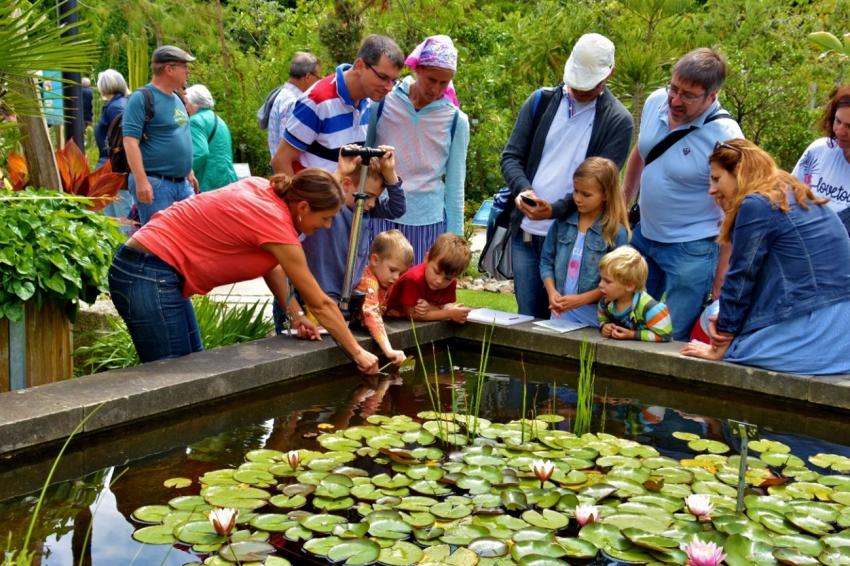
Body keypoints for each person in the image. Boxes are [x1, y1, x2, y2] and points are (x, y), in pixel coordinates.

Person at [107, 159, 379, 374]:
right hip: (146, 272)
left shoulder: (268, 190)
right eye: (327, 218)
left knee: (193, 369)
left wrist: (295, 314)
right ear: (304, 207)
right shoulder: (275, 222)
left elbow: (271, 266)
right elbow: (320, 303)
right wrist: (358, 353)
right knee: (174, 380)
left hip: (152, 270)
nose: (327, 226)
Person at [681, 139, 850, 375]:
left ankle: (696, 408)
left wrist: (722, 340)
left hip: (815, 332)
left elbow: (742, 276)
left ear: (739, 173)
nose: (711, 189)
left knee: (714, 318)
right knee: (722, 313)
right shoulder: (794, 192)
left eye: (716, 179)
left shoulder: (756, 203)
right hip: (843, 333)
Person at [501, 33, 633, 319]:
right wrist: (524, 190)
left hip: (577, 239)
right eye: (577, 83)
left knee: (571, 322)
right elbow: (511, 157)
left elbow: (601, 183)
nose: (580, 90)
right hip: (526, 234)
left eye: (589, 85)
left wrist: (556, 210)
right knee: (528, 319)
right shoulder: (540, 101)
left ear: (609, 73)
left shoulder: (617, 121)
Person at [622, 48, 743, 340]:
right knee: (627, 324)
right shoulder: (655, 102)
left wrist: (721, 277)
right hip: (644, 236)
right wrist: (624, 204)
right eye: (673, 89)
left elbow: (735, 208)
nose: (675, 101)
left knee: (669, 338)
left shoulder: (727, 136)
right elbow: (641, 151)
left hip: (693, 249)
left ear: (712, 96)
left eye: (687, 95)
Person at [278, 147, 405, 336]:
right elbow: (319, 192)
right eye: (368, 196)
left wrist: (390, 173)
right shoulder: (329, 208)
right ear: (346, 184)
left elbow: (398, 208)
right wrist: (341, 171)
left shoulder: (365, 211)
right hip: (312, 294)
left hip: (343, 295)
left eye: (376, 198)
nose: (370, 203)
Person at [368, 35, 470, 263]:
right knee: (372, 291)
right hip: (379, 215)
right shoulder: (383, 102)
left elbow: (455, 185)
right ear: (418, 69)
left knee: (416, 296)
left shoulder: (455, 121)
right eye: (431, 79)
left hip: (426, 223)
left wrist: (455, 243)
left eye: (444, 83)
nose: (435, 89)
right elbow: (364, 159)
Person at [271, 34, 404, 175]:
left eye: (393, 80)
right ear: (360, 66)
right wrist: (299, 198)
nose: (389, 87)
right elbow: (281, 161)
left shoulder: (369, 100)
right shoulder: (318, 100)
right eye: (383, 77)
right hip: (311, 195)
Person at [540, 157, 630, 327]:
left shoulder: (616, 233)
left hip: (597, 320)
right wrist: (552, 292)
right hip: (560, 314)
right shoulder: (561, 224)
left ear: (605, 194)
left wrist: (580, 300)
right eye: (575, 191)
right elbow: (546, 262)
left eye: (586, 194)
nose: (578, 199)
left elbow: (619, 281)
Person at [123, 45, 199, 225]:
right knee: (160, 242)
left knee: (189, 236)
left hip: (182, 183)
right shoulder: (142, 98)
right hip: (156, 183)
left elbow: (178, 133)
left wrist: (188, 170)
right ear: (169, 69)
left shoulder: (178, 98)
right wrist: (141, 181)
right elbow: (130, 141)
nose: (187, 72)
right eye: (184, 67)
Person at [792, 85, 850, 235]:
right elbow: (788, 198)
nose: (840, 131)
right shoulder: (819, 151)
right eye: (838, 121)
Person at [355, 230, 415, 365]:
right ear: (375, 260)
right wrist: (389, 350)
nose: (396, 277)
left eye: (401, 273)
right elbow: (371, 313)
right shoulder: (368, 281)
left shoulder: (384, 279)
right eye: (393, 270)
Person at [386, 233, 471, 322]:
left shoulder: (451, 282)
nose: (439, 281)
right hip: (390, 316)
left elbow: (444, 304)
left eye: (448, 279)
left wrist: (452, 308)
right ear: (427, 258)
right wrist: (449, 313)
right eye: (436, 272)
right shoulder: (413, 279)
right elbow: (412, 315)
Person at [597, 246, 672, 342]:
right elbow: (601, 314)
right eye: (601, 279)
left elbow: (665, 335)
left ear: (629, 286)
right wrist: (604, 325)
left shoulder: (650, 309)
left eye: (607, 281)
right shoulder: (606, 302)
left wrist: (633, 334)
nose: (600, 285)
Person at [266, 52, 322, 158]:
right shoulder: (293, 103)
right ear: (308, 76)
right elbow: (288, 149)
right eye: (318, 77)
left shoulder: (284, 95)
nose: (319, 81)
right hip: (289, 172)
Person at [184, 84, 238, 191]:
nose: (184, 106)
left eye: (185, 103)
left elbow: (200, 153)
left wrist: (182, 171)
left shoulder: (195, 121)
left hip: (209, 183)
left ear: (194, 104)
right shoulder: (219, 120)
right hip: (228, 180)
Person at [94, 69, 131, 217]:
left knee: (120, 211)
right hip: (111, 162)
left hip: (114, 164)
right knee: (111, 211)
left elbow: (124, 135)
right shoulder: (115, 105)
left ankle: (123, 240)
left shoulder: (116, 107)